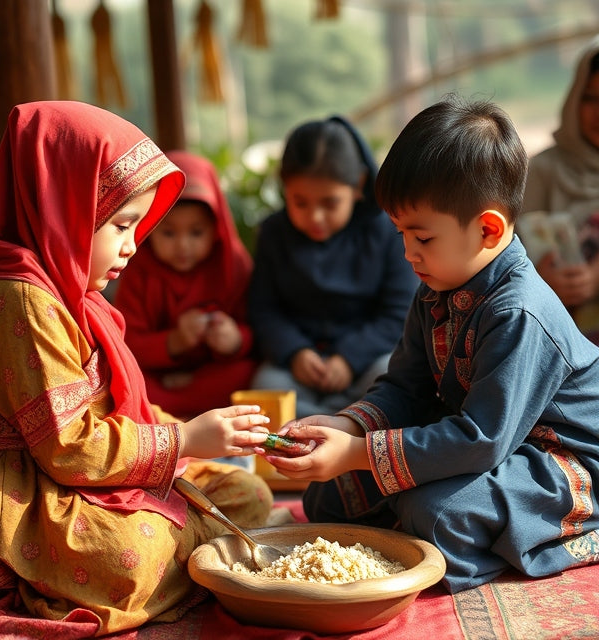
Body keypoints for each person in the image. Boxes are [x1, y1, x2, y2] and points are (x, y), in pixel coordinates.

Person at [260, 96, 599, 594]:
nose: (407, 253)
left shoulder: (519, 312)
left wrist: (359, 452)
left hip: (559, 462)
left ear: (488, 229)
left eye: (421, 237)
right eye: (400, 233)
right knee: (332, 492)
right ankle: (407, 515)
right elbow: (406, 386)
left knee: (434, 512)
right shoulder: (436, 286)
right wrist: (346, 424)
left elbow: (481, 439)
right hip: (485, 450)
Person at [0, 101, 274, 636]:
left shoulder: (71, 289)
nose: (133, 247)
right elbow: (68, 448)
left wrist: (209, 434)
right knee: (133, 558)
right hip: (32, 492)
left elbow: (115, 404)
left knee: (248, 495)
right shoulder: (18, 298)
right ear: (62, 210)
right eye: (122, 225)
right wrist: (184, 440)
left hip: (88, 469)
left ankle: (194, 551)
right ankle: (185, 558)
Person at [248, 116, 418, 418]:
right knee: (266, 389)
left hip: (366, 360)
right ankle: (341, 424)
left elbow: (400, 310)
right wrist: (295, 352)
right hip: (298, 368)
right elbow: (263, 307)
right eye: (300, 202)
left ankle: (320, 427)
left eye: (329, 203)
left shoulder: (387, 230)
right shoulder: (274, 233)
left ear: (359, 185)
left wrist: (349, 358)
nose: (315, 217)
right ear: (284, 188)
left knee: (390, 378)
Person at [114, 150, 257, 422]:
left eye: (196, 232)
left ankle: (161, 415)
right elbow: (126, 341)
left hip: (212, 375)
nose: (183, 246)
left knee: (249, 373)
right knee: (122, 378)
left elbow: (257, 329)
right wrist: (174, 342)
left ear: (217, 227)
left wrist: (234, 340)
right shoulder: (137, 268)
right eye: (168, 232)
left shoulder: (232, 264)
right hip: (156, 378)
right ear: (148, 225)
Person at [520, 36, 599, 343]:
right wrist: (540, 279)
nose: (598, 114)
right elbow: (506, 253)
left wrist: (595, 280)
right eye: (590, 98)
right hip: (552, 336)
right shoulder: (541, 171)